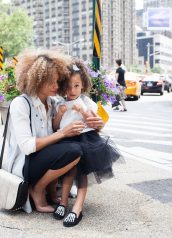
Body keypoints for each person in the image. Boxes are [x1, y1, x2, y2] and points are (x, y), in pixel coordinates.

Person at [3, 49, 86, 214]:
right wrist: (63, 133)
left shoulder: (52, 102)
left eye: (57, 81)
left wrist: (96, 122)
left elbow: (77, 102)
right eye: (51, 82)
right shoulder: (21, 104)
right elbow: (27, 147)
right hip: (24, 165)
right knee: (74, 150)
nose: (57, 86)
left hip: (41, 159)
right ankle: (38, 189)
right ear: (37, 80)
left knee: (79, 147)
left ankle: (50, 189)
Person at [52, 59, 121, 227]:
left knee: (82, 174)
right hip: (67, 140)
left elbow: (93, 122)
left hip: (85, 140)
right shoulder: (60, 103)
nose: (72, 90)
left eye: (76, 86)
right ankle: (63, 203)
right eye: (68, 86)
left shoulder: (87, 102)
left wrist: (82, 111)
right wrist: (60, 114)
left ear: (83, 85)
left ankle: (78, 208)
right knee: (68, 172)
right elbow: (55, 126)